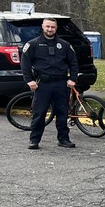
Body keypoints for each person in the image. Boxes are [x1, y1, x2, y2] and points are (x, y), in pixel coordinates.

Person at [20, 16, 80, 150]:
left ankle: (63, 139)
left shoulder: (64, 45)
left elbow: (74, 63)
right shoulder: (33, 44)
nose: (50, 29)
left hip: (61, 83)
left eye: (52, 27)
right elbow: (25, 63)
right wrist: (29, 80)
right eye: (47, 26)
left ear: (56, 28)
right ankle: (34, 140)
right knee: (39, 113)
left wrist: (73, 79)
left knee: (62, 113)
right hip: (42, 84)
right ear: (42, 27)